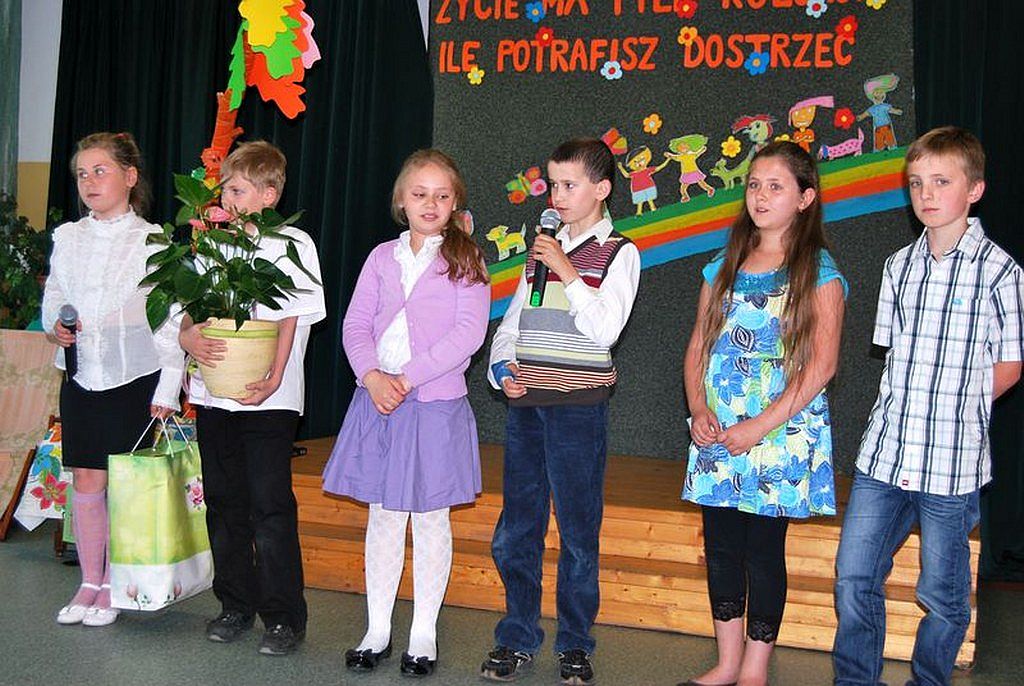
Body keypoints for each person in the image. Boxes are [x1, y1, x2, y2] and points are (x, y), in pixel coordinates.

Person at [833, 127, 1023, 686]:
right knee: (853, 577)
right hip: (885, 456)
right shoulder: (898, 266)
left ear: (975, 190)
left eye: (941, 181)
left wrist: (959, 407)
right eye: (916, 183)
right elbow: (893, 355)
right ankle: (856, 680)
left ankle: (929, 679)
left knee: (942, 596)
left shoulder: (1000, 271)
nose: (927, 194)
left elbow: (1010, 365)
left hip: (951, 464)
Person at [680, 141, 847, 686]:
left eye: (776, 186)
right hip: (721, 430)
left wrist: (759, 425)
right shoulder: (722, 266)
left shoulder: (818, 271)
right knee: (721, 547)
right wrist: (699, 407)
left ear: (805, 198)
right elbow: (698, 346)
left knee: (762, 552)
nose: (760, 195)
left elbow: (822, 365)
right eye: (754, 184)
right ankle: (727, 663)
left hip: (778, 430)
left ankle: (755, 668)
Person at [322, 149, 491, 677]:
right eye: (420, 194)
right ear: (402, 199)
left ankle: (423, 633)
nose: (430, 204)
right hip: (379, 401)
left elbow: (468, 334)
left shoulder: (467, 260)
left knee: (431, 519)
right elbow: (356, 324)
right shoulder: (381, 258)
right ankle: (377, 629)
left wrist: (408, 377)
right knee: (384, 517)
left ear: (455, 202)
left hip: (433, 405)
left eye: (442, 195)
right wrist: (372, 376)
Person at [481, 138, 641, 686]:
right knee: (516, 530)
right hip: (528, 408)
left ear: (602, 189)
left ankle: (574, 643)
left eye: (570, 185)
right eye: (553, 184)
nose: (558, 195)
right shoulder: (542, 250)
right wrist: (501, 367)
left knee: (577, 532)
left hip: (577, 411)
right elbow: (514, 322)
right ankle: (517, 636)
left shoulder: (619, 252)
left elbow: (606, 330)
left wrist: (568, 272)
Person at [179, 140, 325, 656]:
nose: (228, 199)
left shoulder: (293, 242)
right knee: (223, 502)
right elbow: (191, 306)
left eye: (238, 191)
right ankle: (235, 603)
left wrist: (274, 374)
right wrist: (187, 337)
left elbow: (292, 318)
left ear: (269, 194)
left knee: (269, 505)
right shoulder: (213, 243)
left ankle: (283, 616)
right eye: (225, 190)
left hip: (269, 397)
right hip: (216, 393)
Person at [43, 131, 183, 627]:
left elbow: (170, 319)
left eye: (100, 171)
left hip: (134, 375)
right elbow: (55, 294)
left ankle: (116, 583)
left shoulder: (153, 240)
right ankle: (89, 580)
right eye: (82, 174)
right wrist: (55, 326)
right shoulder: (68, 237)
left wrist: (169, 386)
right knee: (86, 478)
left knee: (125, 485)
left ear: (129, 177)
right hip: (82, 373)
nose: (89, 181)